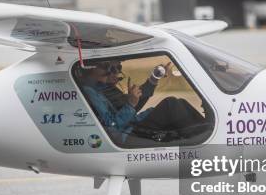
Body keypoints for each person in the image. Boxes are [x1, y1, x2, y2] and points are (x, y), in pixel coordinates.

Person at [79, 60, 207, 145]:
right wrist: (130, 104)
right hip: (125, 137)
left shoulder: (103, 89)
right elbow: (113, 126)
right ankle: (204, 139)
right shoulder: (90, 92)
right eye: (108, 68)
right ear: (90, 69)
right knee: (171, 104)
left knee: (180, 102)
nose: (116, 72)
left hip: (130, 128)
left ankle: (207, 130)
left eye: (118, 67)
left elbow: (128, 109)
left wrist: (153, 80)